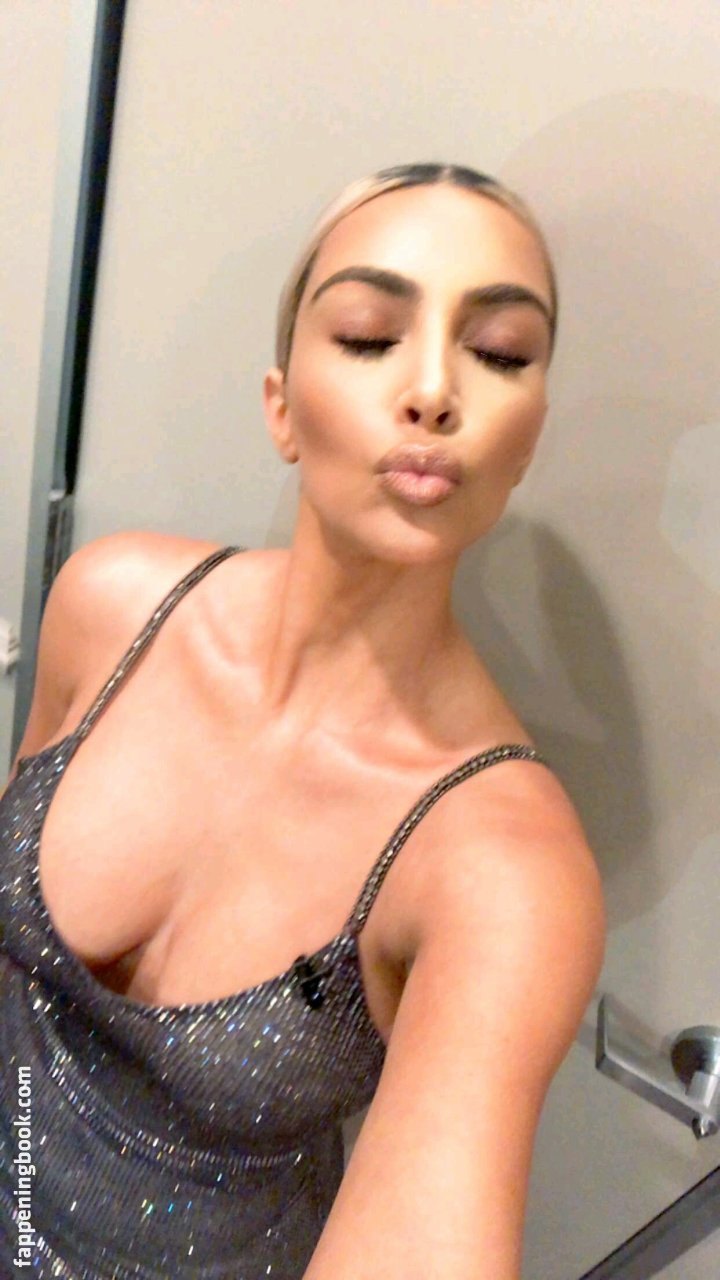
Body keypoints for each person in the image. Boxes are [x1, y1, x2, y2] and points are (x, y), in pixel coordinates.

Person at [0, 161, 605, 1279]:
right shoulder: (109, 604)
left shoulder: (501, 869)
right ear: (280, 405)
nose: (434, 389)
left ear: (527, 443)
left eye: (500, 351)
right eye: (371, 335)